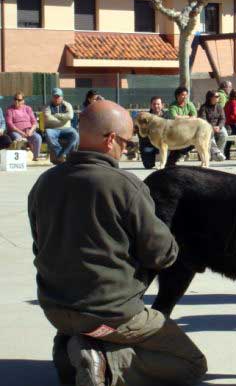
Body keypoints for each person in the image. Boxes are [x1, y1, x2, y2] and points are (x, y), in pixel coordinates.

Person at [28, 100, 207, 386]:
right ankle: (109, 363)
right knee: (191, 365)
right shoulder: (126, 185)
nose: (126, 149)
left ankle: (74, 348)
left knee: (90, 328)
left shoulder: (44, 183)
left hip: (56, 308)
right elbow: (161, 255)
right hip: (113, 312)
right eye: (126, 142)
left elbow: (40, 247)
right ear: (111, 139)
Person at [43, 88, 79, 164]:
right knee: (48, 133)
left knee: (75, 134)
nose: (56, 98)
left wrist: (57, 115)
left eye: (58, 96)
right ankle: (60, 154)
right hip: (52, 129)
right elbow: (48, 117)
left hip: (66, 128)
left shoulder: (67, 105)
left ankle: (66, 154)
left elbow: (70, 116)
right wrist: (62, 120)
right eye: (55, 96)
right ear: (52, 97)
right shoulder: (47, 106)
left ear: (62, 97)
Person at [6, 91, 42, 161]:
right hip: (15, 131)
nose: (16, 101)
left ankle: (35, 156)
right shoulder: (10, 110)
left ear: (23, 101)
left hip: (28, 131)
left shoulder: (27, 108)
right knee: (19, 138)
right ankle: (20, 159)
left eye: (19, 100)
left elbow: (34, 122)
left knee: (38, 137)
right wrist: (21, 133)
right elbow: (10, 124)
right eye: (15, 99)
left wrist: (31, 131)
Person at [166, 86, 197, 167]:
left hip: (188, 129)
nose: (185, 97)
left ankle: (179, 156)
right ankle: (171, 161)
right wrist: (188, 117)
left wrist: (182, 117)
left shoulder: (189, 104)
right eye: (183, 95)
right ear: (177, 96)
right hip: (176, 130)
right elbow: (175, 118)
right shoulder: (173, 105)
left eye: (186, 95)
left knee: (194, 142)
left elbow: (194, 116)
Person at [198, 90, 227, 161]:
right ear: (210, 98)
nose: (218, 98)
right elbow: (203, 119)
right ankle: (217, 154)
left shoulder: (219, 107)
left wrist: (219, 126)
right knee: (210, 136)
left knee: (224, 134)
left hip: (218, 126)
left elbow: (223, 118)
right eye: (216, 96)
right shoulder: (203, 107)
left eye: (218, 96)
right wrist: (211, 127)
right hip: (206, 127)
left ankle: (217, 154)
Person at [138, 96, 167, 168]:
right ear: (151, 105)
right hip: (149, 144)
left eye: (158, 104)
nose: (156, 106)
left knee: (168, 165)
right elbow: (141, 134)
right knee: (148, 165)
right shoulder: (144, 118)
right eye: (154, 104)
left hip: (165, 145)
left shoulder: (168, 116)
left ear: (162, 105)